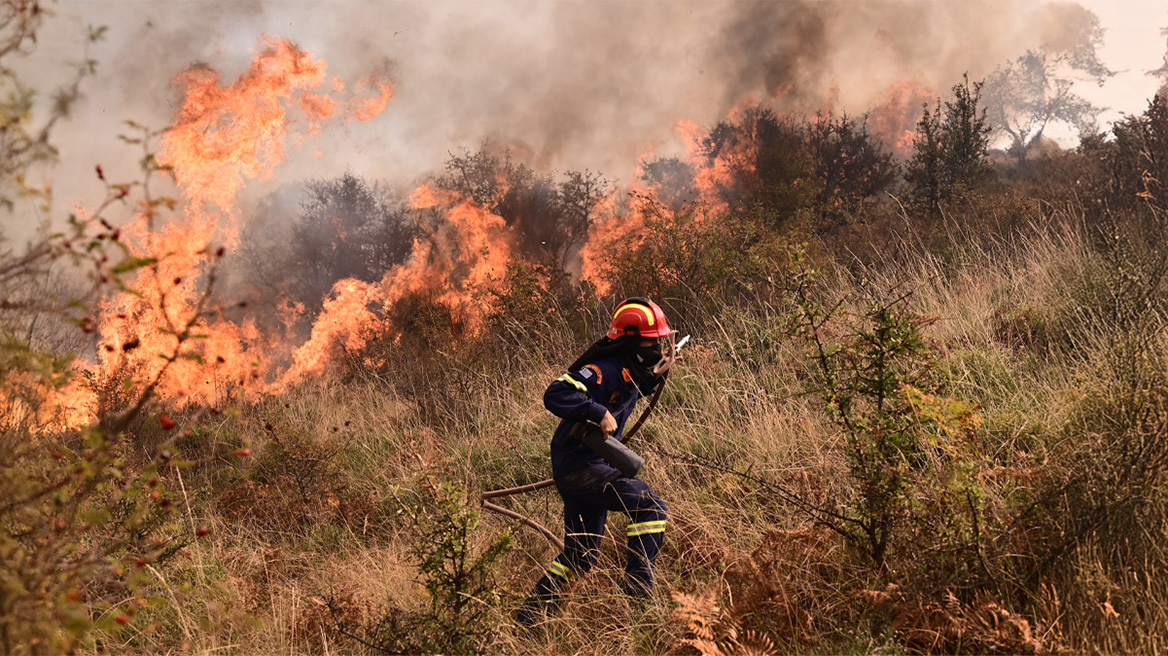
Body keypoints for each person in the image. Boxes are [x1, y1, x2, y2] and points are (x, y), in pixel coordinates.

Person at [516, 297, 678, 627]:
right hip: (581, 468)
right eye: (652, 341)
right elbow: (555, 393)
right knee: (650, 506)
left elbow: (629, 387)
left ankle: (530, 614)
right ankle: (638, 594)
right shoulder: (601, 371)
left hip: (580, 467)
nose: (657, 346)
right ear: (631, 341)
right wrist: (597, 411)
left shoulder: (629, 371)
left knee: (582, 554)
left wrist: (657, 374)